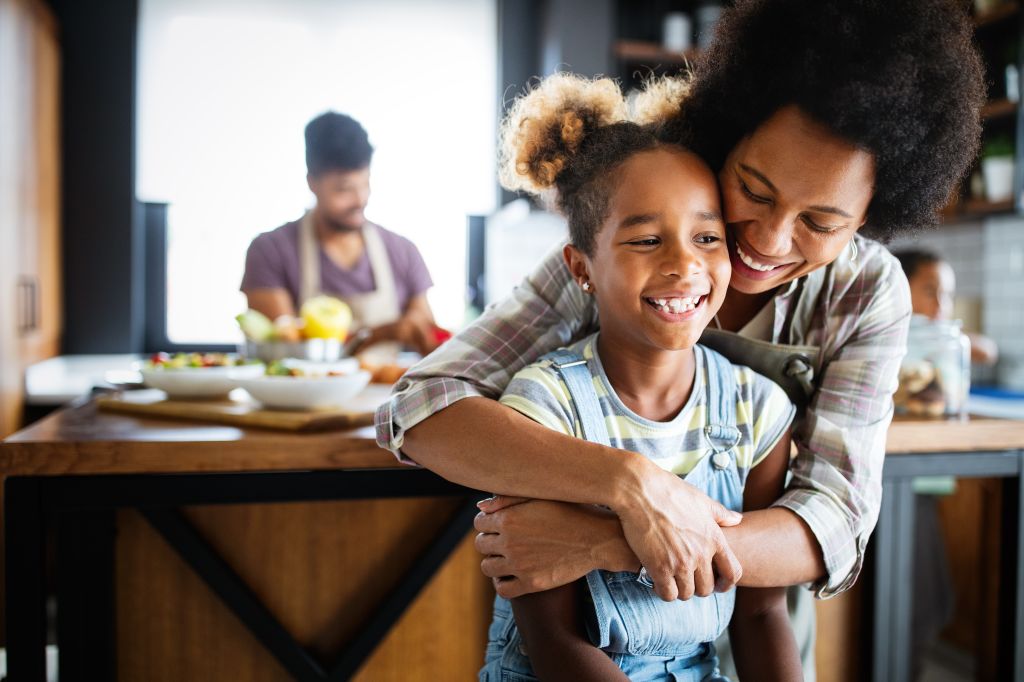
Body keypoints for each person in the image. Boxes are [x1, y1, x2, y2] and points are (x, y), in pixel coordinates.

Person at [375, 0, 984, 677]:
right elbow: (422, 409)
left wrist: (614, 538)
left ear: (871, 218)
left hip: (756, 625)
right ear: (730, 135)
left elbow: (833, 524)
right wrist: (632, 485)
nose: (768, 239)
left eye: (820, 221)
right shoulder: (638, 232)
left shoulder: (867, 292)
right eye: (753, 190)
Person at [479, 73, 800, 681]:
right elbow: (554, 643)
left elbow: (760, 616)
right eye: (647, 239)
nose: (684, 264)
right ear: (582, 268)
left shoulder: (756, 409)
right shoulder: (546, 407)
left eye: (707, 237)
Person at [240, 111, 441, 355]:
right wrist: (380, 333)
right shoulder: (270, 251)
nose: (359, 200)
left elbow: (429, 338)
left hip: (389, 393)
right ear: (311, 183)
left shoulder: (402, 251)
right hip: (307, 394)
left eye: (365, 184)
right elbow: (286, 348)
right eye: (344, 189)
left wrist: (418, 328)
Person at [893, 248, 999, 365]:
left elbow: (988, 351)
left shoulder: (947, 339)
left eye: (947, 294)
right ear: (900, 290)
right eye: (930, 292)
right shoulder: (891, 339)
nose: (940, 304)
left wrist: (949, 339)